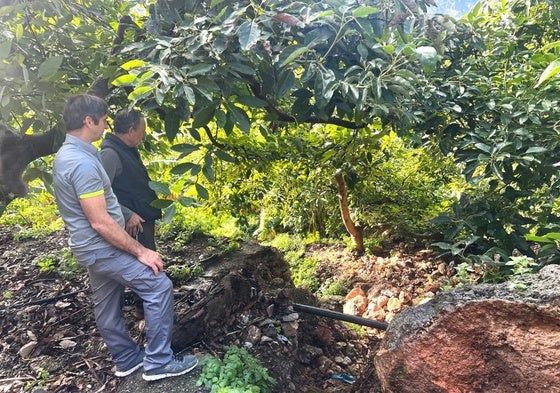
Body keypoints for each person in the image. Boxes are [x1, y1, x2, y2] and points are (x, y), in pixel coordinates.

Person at [53, 94, 197, 381]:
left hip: (90, 248)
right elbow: (100, 220)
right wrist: (141, 252)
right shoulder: (82, 163)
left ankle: (127, 358)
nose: (107, 126)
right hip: (101, 247)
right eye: (104, 120)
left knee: (106, 302)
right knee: (158, 286)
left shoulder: (69, 155)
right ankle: (158, 362)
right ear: (88, 121)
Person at [100, 109, 161, 251]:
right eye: (142, 131)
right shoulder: (110, 154)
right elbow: (99, 195)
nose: (144, 137)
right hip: (131, 226)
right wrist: (127, 214)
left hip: (141, 222)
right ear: (131, 131)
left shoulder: (127, 149)